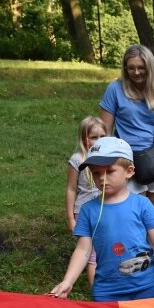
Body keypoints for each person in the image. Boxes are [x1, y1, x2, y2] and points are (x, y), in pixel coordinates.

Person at [50, 137, 154, 301]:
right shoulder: (88, 210)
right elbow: (83, 249)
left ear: (129, 171)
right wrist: (68, 281)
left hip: (148, 287)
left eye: (110, 171)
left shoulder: (142, 204)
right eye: (96, 173)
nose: (101, 178)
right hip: (107, 292)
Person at [100, 44, 154, 218]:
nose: (136, 72)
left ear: (150, 68)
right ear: (125, 68)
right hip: (126, 160)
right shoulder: (115, 89)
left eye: (141, 68)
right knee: (131, 218)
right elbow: (104, 132)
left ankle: (152, 246)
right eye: (131, 68)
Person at [65, 116, 107, 286]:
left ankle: (107, 285)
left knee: (102, 250)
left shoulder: (109, 157)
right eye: (94, 137)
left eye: (103, 136)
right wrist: (70, 218)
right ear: (84, 138)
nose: (99, 141)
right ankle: (97, 293)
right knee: (92, 255)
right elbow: (71, 189)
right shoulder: (77, 159)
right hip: (84, 211)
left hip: (105, 209)